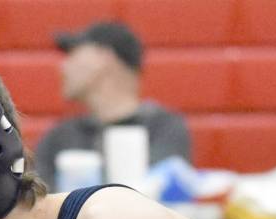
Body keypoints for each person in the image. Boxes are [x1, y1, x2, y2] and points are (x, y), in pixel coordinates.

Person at [34, 20, 191, 191]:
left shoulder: (163, 128)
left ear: (103, 57)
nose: (63, 67)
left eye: (72, 53)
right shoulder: (60, 136)